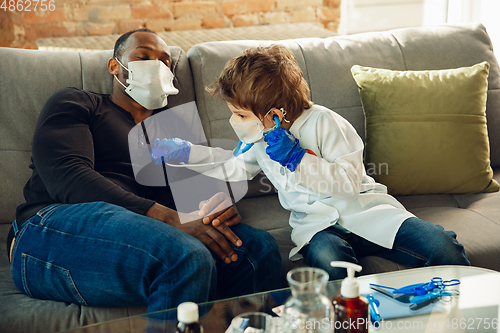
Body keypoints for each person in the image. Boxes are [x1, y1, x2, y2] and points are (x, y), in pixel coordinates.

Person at [7, 28, 285, 319]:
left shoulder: (174, 138)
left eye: (165, 62)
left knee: (256, 249)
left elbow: (198, 200)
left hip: (145, 230)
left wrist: (216, 209)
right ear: (115, 65)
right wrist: (167, 217)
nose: (156, 66)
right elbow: (68, 176)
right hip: (50, 227)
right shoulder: (78, 103)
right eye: (143, 57)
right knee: (186, 256)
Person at [153, 45, 471, 281]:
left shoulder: (327, 124)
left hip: (367, 212)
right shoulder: (260, 139)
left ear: (274, 114)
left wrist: (297, 158)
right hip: (318, 227)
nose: (234, 121)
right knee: (330, 263)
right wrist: (187, 152)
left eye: (240, 114)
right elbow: (233, 167)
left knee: (442, 245)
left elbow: (347, 186)